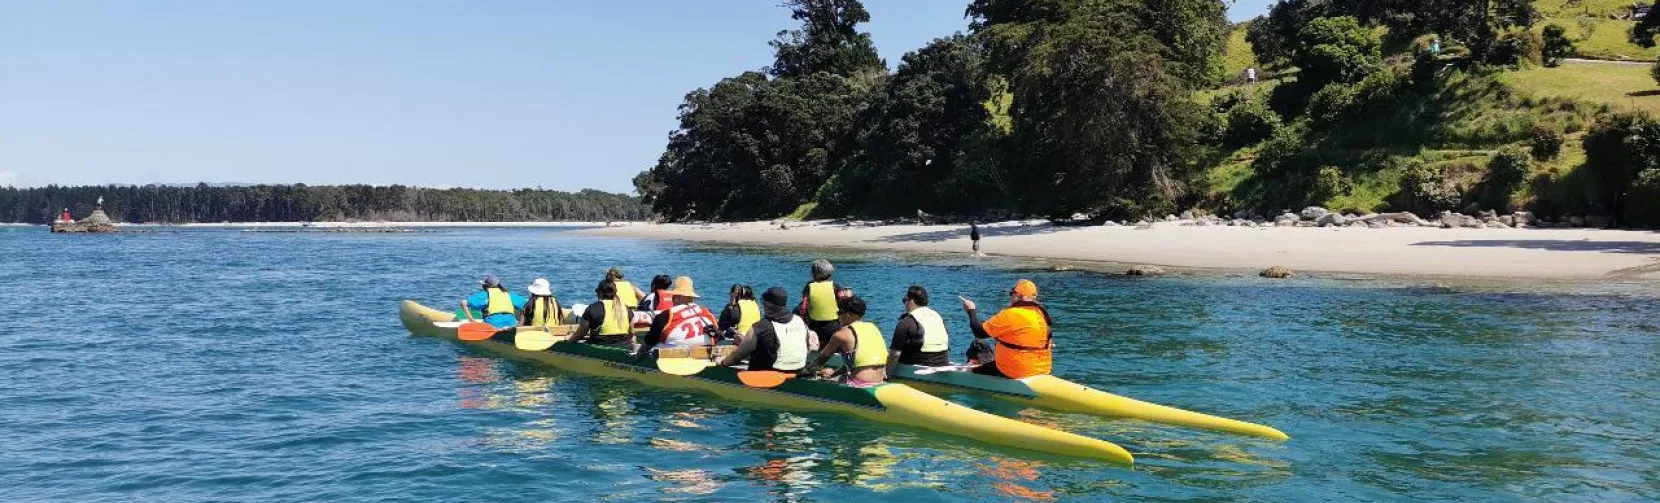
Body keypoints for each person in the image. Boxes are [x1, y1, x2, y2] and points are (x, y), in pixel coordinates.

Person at [958, 279, 1052, 379]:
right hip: (1043, 369)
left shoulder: (1011, 314)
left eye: (1011, 293)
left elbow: (979, 332)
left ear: (1019, 296)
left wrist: (971, 310)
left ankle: (971, 371)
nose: (1010, 296)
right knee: (985, 346)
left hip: (1015, 371)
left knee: (977, 344)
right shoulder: (1042, 313)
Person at [720, 287, 817, 372]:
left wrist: (723, 363)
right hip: (797, 369)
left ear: (766, 305)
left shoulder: (760, 327)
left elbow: (737, 357)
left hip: (769, 374)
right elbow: (806, 346)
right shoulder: (799, 321)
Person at [807, 296, 887, 387]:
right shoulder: (873, 328)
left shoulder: (840, 335)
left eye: (839, 312)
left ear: (846, 315)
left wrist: (807, 371)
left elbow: (820, 360)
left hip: (859, 384)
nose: (837, 316)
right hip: (880, 381)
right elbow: (859, 362)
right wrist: (834, 374)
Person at [638, 276, 717, 356]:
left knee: (654, 346)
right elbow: (718, 335)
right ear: (692, 298)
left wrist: (638, 354)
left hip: (676, 354)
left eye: (673, 296)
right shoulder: (706, 312)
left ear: (677, 297)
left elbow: (649, 341)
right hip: (704, 352)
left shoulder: (666, 315)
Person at [886, 285, 951, 375]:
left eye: (905, 300)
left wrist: (885, 375)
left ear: (911, 302)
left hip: (919, 368)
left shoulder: (906, 322)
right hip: (943, 363)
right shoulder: (938, 316)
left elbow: (895, 355)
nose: (904, 304)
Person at [571, 279, 636, 349]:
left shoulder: (592, 309)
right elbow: (632, 333)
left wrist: (567, 341)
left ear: (600, 293)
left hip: (600, 350)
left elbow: (581, 334)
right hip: (623, 348)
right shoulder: (626, 309)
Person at [798, 259, 846, 346]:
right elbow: (844, 304)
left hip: (814, 326)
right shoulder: (835, 286)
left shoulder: (809, 286)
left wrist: (804, 323)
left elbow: (803, 308)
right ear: (830, 273)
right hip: (834, 326)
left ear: (813, 273)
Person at [461, 275, 527, 329]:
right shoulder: (509, 294)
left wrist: (472, 320)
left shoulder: (484, 294)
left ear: (485, 286)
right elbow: (526, 305)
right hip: (511, 323)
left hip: (492, 325)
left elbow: (463, 303)